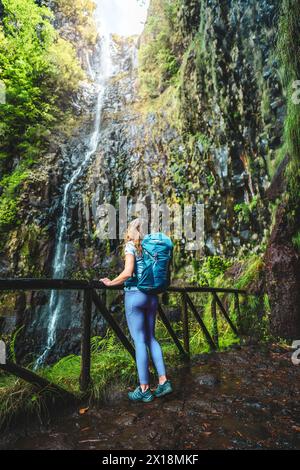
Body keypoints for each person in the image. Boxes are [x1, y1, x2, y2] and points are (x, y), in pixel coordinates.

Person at [100, 218, 173, 403]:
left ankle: (144, 388)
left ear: (131, 231)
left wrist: (110, 283)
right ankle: (163, 381)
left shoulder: (131, 246)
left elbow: (128, 272)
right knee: (151, 338)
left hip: (135, 296)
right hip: (152, 297)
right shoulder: (151, 247)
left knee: (139, 340)